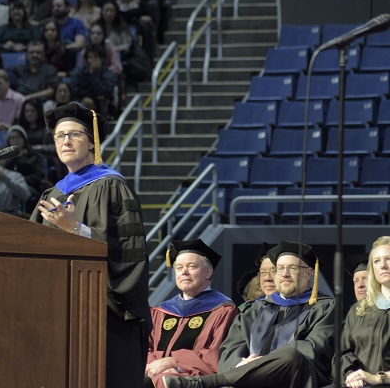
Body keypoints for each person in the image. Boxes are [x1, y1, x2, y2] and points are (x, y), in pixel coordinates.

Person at [29, 102, 150, 388]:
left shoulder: (113, 186)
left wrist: (75, 229)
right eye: (59, 136)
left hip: (103, 314)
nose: (65, 141)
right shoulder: (52, 194)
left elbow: (129, 254)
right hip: (54, 310)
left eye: (74, 134)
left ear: (93, 141)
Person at [163, 240, 335, 388]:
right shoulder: (255, 309)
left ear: (309, 273)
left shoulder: (325, 307)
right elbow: (229, 350)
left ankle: (204, 383)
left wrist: (261, 364)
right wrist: (242, 364)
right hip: (247, 380)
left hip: (293, 380)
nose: (284, 274)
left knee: (293, 354)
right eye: (279, 268)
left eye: (292, 268)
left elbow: (314, 349)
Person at [145, 239, 239, 388]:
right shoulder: (161, 311)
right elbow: (145, 347)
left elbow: (216, 356)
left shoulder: (223, 310)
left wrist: (174, 363)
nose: (184, 272)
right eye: (179, 267)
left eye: (192, 266)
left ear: (208, 272)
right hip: (153, 376)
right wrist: (155, 365)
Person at [335, 236, 390, 388]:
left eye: (389, 259)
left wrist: (379, 378)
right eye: (377, 261)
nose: (383, 265)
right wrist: (351, 372)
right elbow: (343, 352)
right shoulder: (359, 310)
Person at [69, 43, 118, 115]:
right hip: (81, 100)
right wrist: (86, 96)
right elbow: (73, 88)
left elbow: (105, 91)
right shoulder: (79, 72)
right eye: (90, 57)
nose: (92, 60)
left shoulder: (109, 74)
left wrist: (93, 74)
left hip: (102, 105)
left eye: (95, 57)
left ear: (102, 58)